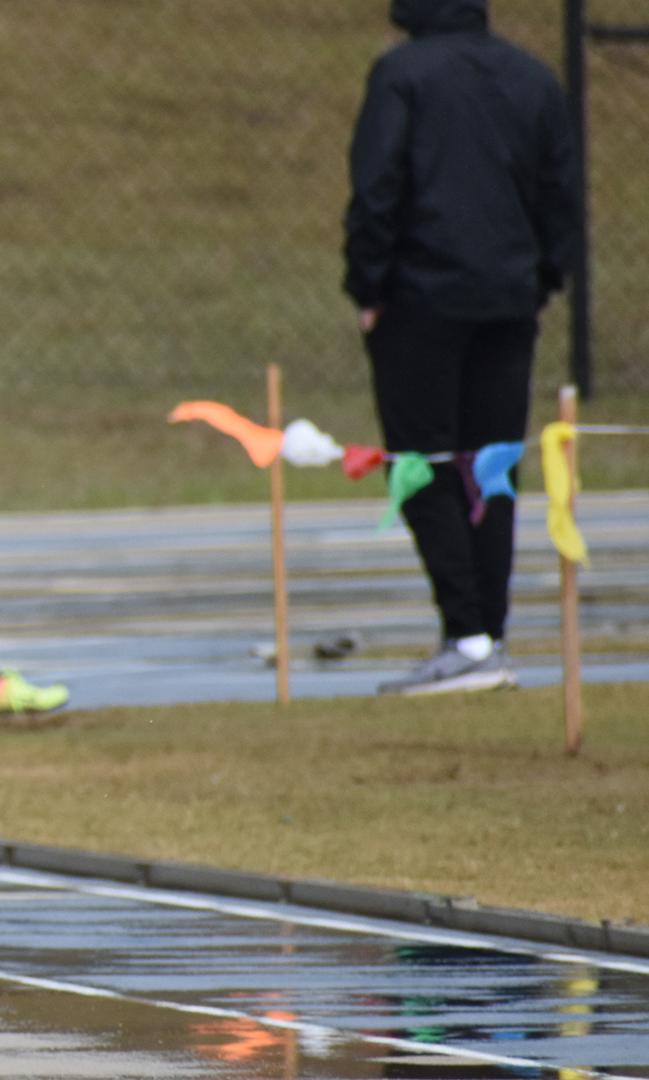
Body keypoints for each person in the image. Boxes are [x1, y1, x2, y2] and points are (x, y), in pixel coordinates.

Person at [343, 0, 577, 695]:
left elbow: (377, 188)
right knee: (489, 465)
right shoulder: (531, 76)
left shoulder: (402, 75)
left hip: (422, 299)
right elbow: (559, 193)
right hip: (507, 300)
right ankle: (487, 637)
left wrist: (368, 286)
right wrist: (541, 279)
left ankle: (468, 637)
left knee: (423, 462)